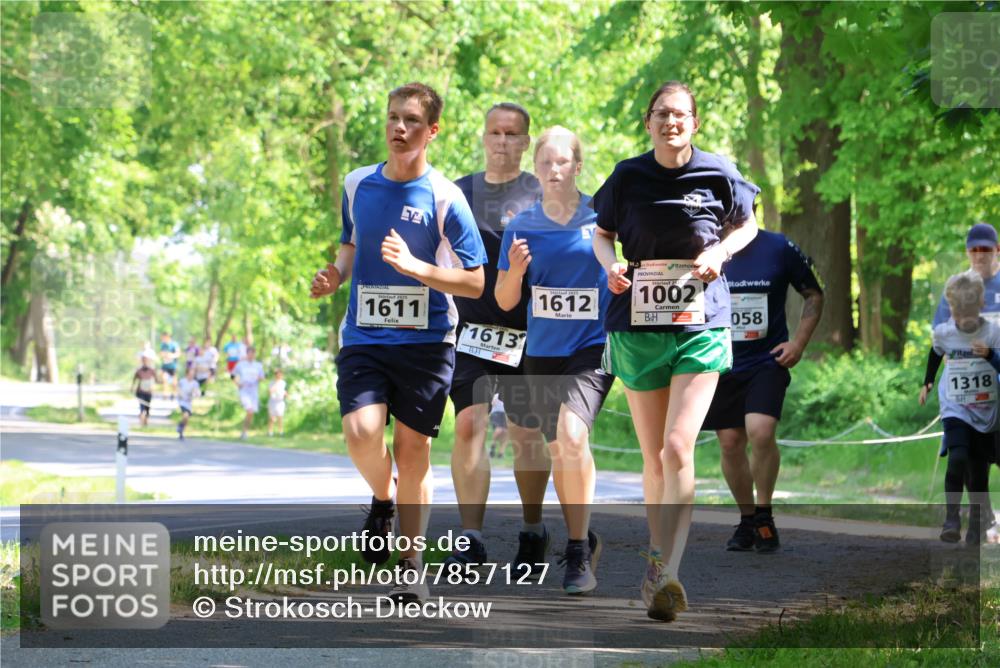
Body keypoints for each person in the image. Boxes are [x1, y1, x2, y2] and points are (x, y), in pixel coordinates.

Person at [310, 82, 486, 603]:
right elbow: (349, 245)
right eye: (392, 118)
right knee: (362, 431)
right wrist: (335, 276)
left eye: (411, 120)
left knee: (414, 451)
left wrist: (418, 268)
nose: (399, 128)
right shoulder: (357, 183)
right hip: (364, 334)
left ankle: (411, 566)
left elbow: (475, 281)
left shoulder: (446, 196)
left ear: (432, 131)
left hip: (428, 341)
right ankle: (383, 498)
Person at [591, 81, 759, 621]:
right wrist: (610, 265)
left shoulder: (718, 172)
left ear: (695, 122)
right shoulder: (627, 175)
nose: (671, 122)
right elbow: (602, 235)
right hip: (638, 325)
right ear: (649, 122)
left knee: (678, 448)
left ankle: (669, 571)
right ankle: (655, 560)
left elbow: (749, 224)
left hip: (700, 322)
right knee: (653, 457)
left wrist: (721, 250)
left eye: (681, 114)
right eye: (662, 114)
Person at [497, 126, 613, 595]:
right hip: (542, 352)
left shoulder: (603, 216)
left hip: (591, 348)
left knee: (570, 436)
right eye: (545, 163)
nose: (553, 170)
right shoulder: (522, 225)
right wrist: (518, 271)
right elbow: (506, 300)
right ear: (536, 169)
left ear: (578, 166)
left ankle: (579, 549)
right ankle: (569, 534)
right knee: (546, 448)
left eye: (563, 162)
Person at [444, 102, 551, 576]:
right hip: (471, 332)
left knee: (528, 436)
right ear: (483, 137)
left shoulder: (543, 192)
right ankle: (470, 539)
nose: (503, 141)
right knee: (469, 428)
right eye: (495, 132)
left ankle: (532, 528)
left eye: (513, 134)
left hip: (528, 334)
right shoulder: (456, 192)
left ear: (527, 142)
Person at [701, 230, 824, 552]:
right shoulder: (703, 249)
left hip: (766, 361)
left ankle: (764, 513)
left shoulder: (778, 247)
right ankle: (747, 519)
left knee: (761, 430)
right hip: (721, 361)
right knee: (730, 442)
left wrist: (798, 343)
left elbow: (813, 293)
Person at [930, 222, 1000, 536]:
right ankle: (976, 519)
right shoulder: (956, 287)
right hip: (968, 388)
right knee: (971, 455)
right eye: (974, 249)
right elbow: (941, 339)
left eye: (986, 249)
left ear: (997, 251)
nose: (980, 255)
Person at [232, 346, 265, 440]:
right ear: (247, 354)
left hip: (254, 390)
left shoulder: (258, 365)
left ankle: (244, 431)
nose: (251, 355)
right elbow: (232, 375)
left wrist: (259, 378)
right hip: (244, 390)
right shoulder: (241, 365)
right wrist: (237, 383)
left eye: (253, 353)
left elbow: (262, 377)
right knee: (249, 409)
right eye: (249, 353)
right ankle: (245, 432)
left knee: (251, 412)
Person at [131, 353, 157, 428]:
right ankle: (142, 421)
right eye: (144, 360)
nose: (145, 362)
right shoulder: (139, 370)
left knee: (147, 407)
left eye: (146, 360)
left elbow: (156, 380)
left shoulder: (152, 370)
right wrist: (132, 388)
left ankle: (146, 420)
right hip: (140, 392)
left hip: (148, 392)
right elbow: (134, 380)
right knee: (142, 407)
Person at [177, 366, 199, 440]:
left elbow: (196, 391)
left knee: (186, 419)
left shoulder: (195, 383)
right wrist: (181, 395)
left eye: (193, 374)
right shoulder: (182, 381)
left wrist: (195, 394)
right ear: (187, 374)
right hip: (182, 401)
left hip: (189, 402)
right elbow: (179, 389)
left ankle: (181, 429)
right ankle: (181, 428)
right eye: (190, 374)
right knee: (185, 415)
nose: (191, 376)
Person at [159, 332, 180, 399]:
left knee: (174, 382)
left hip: (173, 366)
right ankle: (165, 394)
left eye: (164, 337)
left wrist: (171, 355)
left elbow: (178, 353)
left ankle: (173, 394)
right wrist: (164, 355)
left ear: (168, 337)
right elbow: (161, 353)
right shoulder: (163, 344)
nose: (163, 339)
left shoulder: (174, 344)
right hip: (165, 365)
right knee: (164, 379)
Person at [268, 369, 287, 437]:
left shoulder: (283, 383)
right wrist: (276, 384)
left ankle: (281, 432)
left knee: (280, 417)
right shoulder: (272, 383)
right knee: (272, 418)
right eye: (278, 374)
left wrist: (285, 394)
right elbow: (270, 392)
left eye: (280, 374)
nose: (279, 376)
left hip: (280, 401)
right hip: (273, 401)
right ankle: (270, 432)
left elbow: (285, 391)